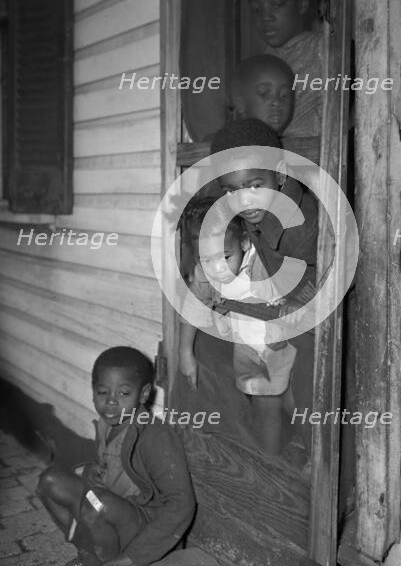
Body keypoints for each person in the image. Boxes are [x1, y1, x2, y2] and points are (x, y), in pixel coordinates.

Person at [210, 118, 322, 464]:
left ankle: (320, 472)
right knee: (272, 393)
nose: (243, 199)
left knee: (311, 399)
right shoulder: (259, 208)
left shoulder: (298, 226)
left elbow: (328, 273)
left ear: (282, 173)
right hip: (289, 315)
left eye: (254, 184)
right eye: (231, 190)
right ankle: (281, 457)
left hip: (318, 320)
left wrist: (293, 306)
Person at [36, 347, 196, 566]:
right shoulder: (107, 423)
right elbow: (109, 464)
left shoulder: (155, 436)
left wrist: (131, 559)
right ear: (93, 391)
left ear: (144, 393)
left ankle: (110, 561)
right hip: (107, 506)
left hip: (144, 526)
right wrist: (89, 468)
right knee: (50, 481)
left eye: (123, 393)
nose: (111, 402)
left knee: (97, 504)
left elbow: (181, 504)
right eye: (103, 392)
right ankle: (88, 554)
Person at [178, 197, 297, 455]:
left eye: (225, 257)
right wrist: (185, 352)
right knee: (265, 405)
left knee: (294, 402)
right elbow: (193, 309)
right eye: (206, 260)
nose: (217, 269)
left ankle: (300, 445)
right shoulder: (204, 274)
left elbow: (295, 285)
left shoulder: (263, 264)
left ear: (244, 242)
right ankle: (270, 461)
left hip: (282, 344)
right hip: (247, 349)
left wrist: (290, 303)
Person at [243, 0, 323, 138]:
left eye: (276, 4)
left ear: (302, 3)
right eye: (257, 9)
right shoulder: (262, 63)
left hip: (312, 156)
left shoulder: (323, 49)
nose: (266, 16)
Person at [230, 54, 295, 136]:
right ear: (240, 104)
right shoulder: (229, 144)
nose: (277, 102)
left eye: (284, 95)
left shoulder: (296, 146)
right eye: (264, 94)